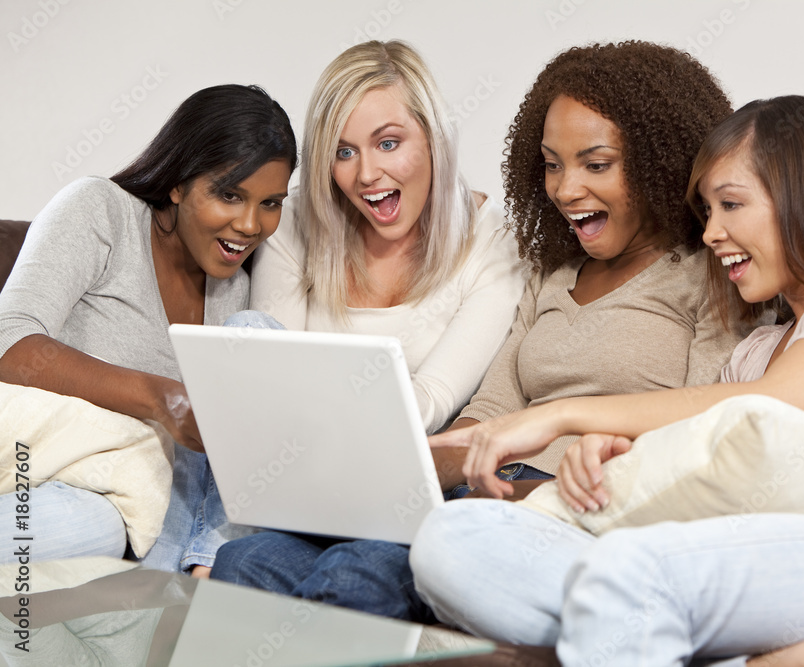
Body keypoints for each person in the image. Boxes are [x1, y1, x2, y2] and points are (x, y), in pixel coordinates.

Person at [411, 95, 804, 667]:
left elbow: (785, 400)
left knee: (628, 571)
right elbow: (696, 460)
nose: (711, 232)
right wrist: (610, 453)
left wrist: (560, 416)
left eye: (731, 204)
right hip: (754, 564)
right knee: (453, 540)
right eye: (708, 211)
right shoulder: (752, 354)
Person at [212, 41, 749, 624]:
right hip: (476, 498)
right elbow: (489, 410)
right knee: (247, 560)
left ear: (658, 162)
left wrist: (525, 490)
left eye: (596, 165)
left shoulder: (710, 276)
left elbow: (703, 432)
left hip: (566, 510)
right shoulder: (551, 275)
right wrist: (398, 479)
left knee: (354, 575)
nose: (566, 189)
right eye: (552, 164)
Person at [0, 84, 297, 572]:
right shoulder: (102, 211)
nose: (250, 224)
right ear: (177, 184)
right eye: (229, 194)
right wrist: (162, 398)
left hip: (130, 505)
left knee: (100, 526)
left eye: (270, 203)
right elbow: (9, 340)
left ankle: (192, 580)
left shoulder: (235, 294)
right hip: (42, 464)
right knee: (87, 526)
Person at [245, 39, 526, 435]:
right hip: (292, 446)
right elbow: (269, 382)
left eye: (388, 143)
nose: (366, 174)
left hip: (404, 453)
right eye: (344, 152)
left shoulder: (494, 242)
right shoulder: (292, 222)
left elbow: (431, 400)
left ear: (434, 139)